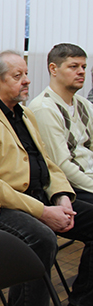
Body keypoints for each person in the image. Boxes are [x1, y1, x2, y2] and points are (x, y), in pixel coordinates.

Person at [0, 50, 93, 306]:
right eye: (18, 76)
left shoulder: (25, 114)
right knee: (41, 238)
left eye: (26, 74)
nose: (27, 80)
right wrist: (44, 211)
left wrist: (62, 196)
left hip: (35, 197)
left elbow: (47, 163)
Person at [30, 44, 93, 204]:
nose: (81, 71)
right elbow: (61, 166)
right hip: (72, 187)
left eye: (84, 67)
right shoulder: (44, 108)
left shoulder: (85, 105)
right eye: (74, 66)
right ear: (53, 69)